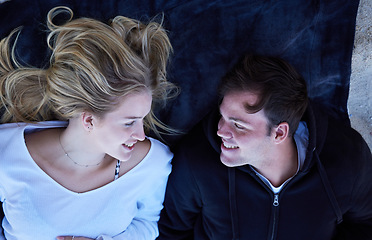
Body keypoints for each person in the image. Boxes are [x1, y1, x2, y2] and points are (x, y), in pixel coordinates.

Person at [0, 6, 177, 240]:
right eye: (129, 123)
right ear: (89, 120)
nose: (141, 135)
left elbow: (147, 225)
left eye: (142, 120)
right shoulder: (6, 152)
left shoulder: (153, 164)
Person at [157, 55, 372, 240]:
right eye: (222, 116)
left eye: (238, 125)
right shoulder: (197, 160)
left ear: (279, 133)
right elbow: (170, 232)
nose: (220, 130)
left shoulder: (347, 159)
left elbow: (366, 224)